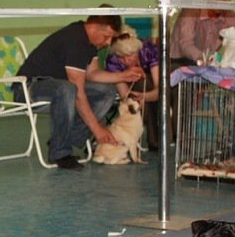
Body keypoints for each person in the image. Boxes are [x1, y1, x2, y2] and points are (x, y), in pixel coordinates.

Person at [15, 12, 145, 170]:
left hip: (59, 89)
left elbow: (93, 74)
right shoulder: (75, 40)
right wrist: (97, 129)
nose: (108, 42)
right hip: (28, 89)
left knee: (106, 91)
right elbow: (78, 92)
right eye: (107, 36)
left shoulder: (90, 42)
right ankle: (60, 152)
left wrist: (122, 75)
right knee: (68, 89)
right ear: (94, 27)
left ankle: (63, 139)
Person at [106, 26, 161, 150]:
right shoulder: (113, 61)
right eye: (121, 57)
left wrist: (145, 97)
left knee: (152, 84)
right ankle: (154, 139)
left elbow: (160, 89)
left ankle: (156, 138)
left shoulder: (149, 50)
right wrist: (138, 98)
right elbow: (125, 95)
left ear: (137, 50)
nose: (126, 60)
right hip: (134, 91)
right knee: (141, 84)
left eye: (130, 55)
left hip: (151, 89)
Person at [170, 0, 235, 66]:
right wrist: (205, 59)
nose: (222, 2)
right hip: (180, 62)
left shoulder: (230, 16)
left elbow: (234, 44)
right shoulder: (190, 11)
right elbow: (186, 45)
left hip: (211, 64)